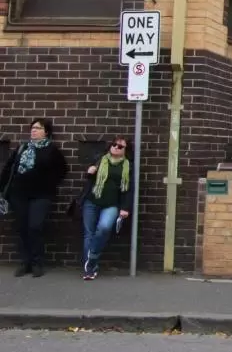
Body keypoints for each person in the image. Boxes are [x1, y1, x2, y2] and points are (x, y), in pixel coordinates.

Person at [0, 118, 68, 277]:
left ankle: (37, 262)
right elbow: (9, 168)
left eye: (38, 128)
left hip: (41, 195)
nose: (33, 130)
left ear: (46, 132)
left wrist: (48, 183)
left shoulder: (51, 150)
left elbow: (62, 170)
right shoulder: (22, 147)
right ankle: (25, 262)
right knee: (22, 227)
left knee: (35, 226)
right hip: (19, 194)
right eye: (32, 128)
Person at [81, 137, 134, 280]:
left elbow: (129, 189)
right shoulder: (100, 159)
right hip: (91, 201)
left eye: (120, 146)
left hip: (111, 204)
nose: (116, 147)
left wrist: (125, 208)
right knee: (89, 234)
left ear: (125, 150)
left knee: (104, 228)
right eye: (114, 144)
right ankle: (90, 269)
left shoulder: (128, 166)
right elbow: (89, 180)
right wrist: (89, 172)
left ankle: (91, 259)